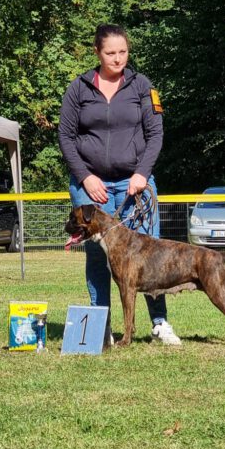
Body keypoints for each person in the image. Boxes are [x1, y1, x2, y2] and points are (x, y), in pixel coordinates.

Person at [58, 23, 181, 346]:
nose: (117, 59)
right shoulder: (79, 88)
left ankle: (159, 323)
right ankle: (101, 328)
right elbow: (66, 138)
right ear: (97, 53)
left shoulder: (142, 86)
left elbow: (155, 134)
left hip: (134, 182)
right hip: (90, 185)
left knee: (151, 254)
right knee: (99, 257)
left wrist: (142, 173)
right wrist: (85, 177)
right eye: (110, 53)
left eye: (123, 52)